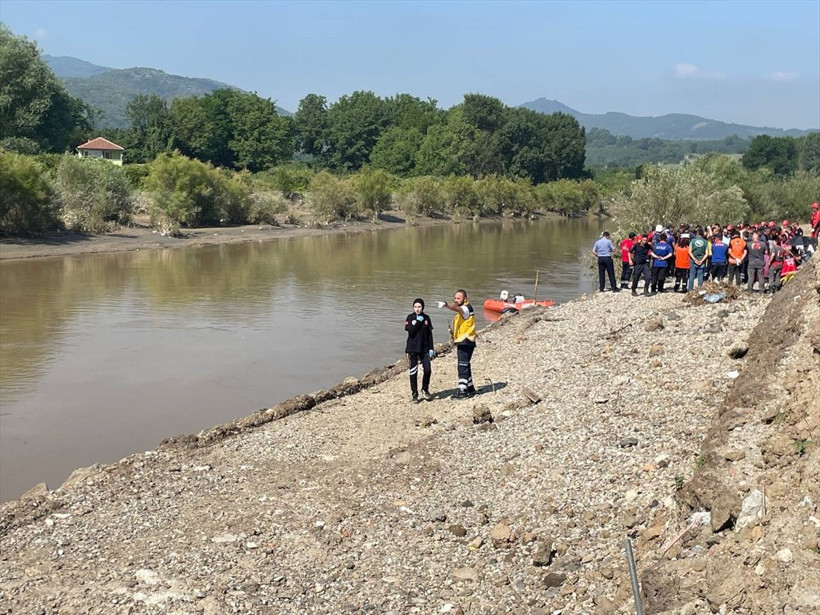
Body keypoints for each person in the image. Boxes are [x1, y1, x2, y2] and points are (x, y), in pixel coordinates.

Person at [440, 290, 477, 398]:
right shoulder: (465, 308)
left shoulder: (465, 309)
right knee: (465, 364)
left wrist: (446, 304)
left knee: (462, 365)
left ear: (465, 299)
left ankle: (462, 391)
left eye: (458, 298)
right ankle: (470, 388)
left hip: (466, 340)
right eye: (455, 298)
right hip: (466, 341)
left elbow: (456, 308)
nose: (456, 300)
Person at [404, 298, 435, 403]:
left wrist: (431, 348)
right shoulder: (410, 317)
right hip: (412, 348)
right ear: (413, 308)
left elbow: (429, 334)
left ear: (423, 307)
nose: (417, 309)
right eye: (415, 307)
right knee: (413, 371)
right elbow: (411, 332)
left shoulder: (427, 318)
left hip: (424, 348)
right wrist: (418, 322)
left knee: (428, 370)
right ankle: (415, 394)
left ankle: (425, 389)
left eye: (419, 307)